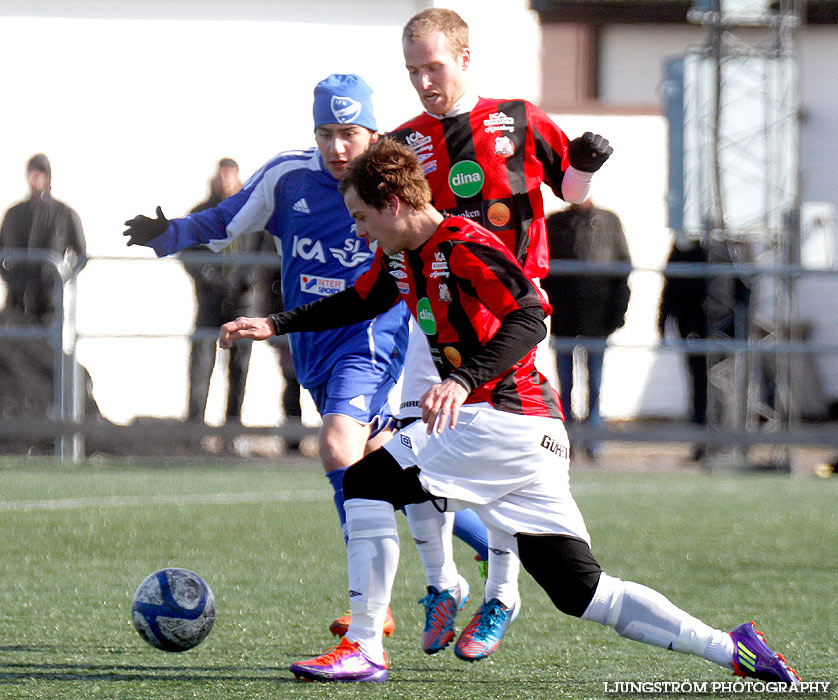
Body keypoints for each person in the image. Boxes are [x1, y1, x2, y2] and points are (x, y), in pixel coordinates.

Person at [219, 138, 800, 686]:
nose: (358, 230)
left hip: (502, 417)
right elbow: (361, 298)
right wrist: (273, 323)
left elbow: (530, 315)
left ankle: (367, 644)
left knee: (368, 480)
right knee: (583, 592)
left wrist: (462, 379)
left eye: (362, 218)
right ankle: (734, 648)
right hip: (531, 438)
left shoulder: (464, 246)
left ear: (393, 203)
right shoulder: (402, 258)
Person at [122, 73, 487, 637]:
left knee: (337, 446)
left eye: (349, 132)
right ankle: (487, 543)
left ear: (372, 130)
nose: (338, 148)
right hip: (309, 338)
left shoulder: (398, 178)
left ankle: (372, 604)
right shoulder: (286, 175)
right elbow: (224, 222)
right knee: (382, 453)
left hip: (369, 334)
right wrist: (168, 233)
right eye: (326, 133)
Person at [387, 6, 613, 656]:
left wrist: (590, 164)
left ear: (463, 57)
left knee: (501, 465)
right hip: (433, 322)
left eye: (433, 66)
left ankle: (502, 596)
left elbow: (572, 188)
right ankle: (441, 585)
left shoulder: (514, 118)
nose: (425, 81)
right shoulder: (403, 141)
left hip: (505, 320)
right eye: (413, 71)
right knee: (410, 447)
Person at [181, 158, 264, 433]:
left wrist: (247, 278)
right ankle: (195, 429)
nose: (226, 178)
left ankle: (232, 430)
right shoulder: (201, 213)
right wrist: (209, 277)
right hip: (209, 299)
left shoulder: (253, 213)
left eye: (231, 172)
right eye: (222, 172)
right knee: (202, 361)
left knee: (240, 364)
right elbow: (186, 250)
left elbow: (265, 249)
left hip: (242, 300)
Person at [543, 201, 631, 460]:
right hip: (564, 315)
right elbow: (543, 266)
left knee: (595, 379)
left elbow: (622, 267)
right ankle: (566, 437)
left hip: (598, 316)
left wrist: (618, 312)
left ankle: (593, 440)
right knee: (565, 381)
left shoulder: (608, 220)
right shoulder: (555, 223)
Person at [0, 153, 85, 324]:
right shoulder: (14, 214)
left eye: (39, 173)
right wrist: (9, 278)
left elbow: (80, 254)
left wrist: (62, 277)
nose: (35, 178)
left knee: (47, 345)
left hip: (48, 301)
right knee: (13, 343)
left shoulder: (64, 214)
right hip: (17, 298)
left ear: (48, 177)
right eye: (31, 173)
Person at [658, 238, 709, 461]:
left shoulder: (720, 253)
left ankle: (709, 442)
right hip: (692, 326)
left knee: (704, 385)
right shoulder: (681, 251)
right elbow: (669, 291)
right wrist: (662, 322)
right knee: (699, 384)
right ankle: (702, 442)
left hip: (706, 327)